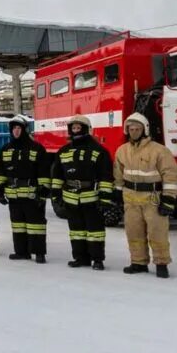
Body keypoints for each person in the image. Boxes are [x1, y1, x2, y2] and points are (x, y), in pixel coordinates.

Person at [114, 112, 177, 278]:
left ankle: (161, 263)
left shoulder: (159, 150)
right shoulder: (122, 151)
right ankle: (138, 263)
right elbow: (118, 174)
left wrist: (169, 198)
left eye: (137, 129)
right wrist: (117, 192)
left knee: (158, 232)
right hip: (130, 198)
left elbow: (170, 175)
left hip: (153, 198)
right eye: (131, 129)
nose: (134, 132)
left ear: (145, 130)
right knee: (133, 232)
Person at [52, 115, 115, 270]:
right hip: (71, 198)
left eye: (78, 128)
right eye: (73, 128)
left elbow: (106, 176)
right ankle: (80, 258)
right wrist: (56, 195)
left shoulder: (98, 151)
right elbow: (57, 175)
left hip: (91, 198)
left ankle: (97, 259)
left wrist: (105, 197)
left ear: (86, 129)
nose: (75, 131)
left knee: (95, 231)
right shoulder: (64, 151)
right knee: (76, 230)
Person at [0, 116, 50, 263]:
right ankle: (21, 252)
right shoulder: (5, 149)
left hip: (32, 195)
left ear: (25, 130)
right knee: (18, 225)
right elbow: (1, 172)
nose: (16, 131)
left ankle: (39, 253)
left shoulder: (37, 148)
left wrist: (43, 190)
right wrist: (0, 190)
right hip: (13, 195)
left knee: (36, 225)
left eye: (19, 128)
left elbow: (44, 172)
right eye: (14, 128)